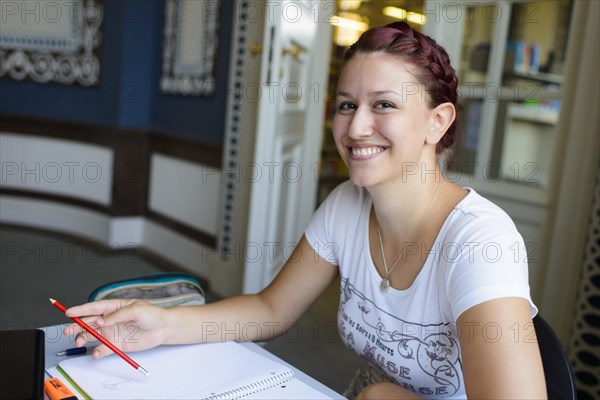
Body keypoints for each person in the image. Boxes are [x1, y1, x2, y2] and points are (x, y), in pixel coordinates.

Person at [64, 22, 546, 399]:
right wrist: (163, 323)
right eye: (345, 105)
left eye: (383, 105)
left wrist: (381, 396)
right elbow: (270, 309)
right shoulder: (346, 205)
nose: (356, 127)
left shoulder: (481, 243)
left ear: (437, 122)